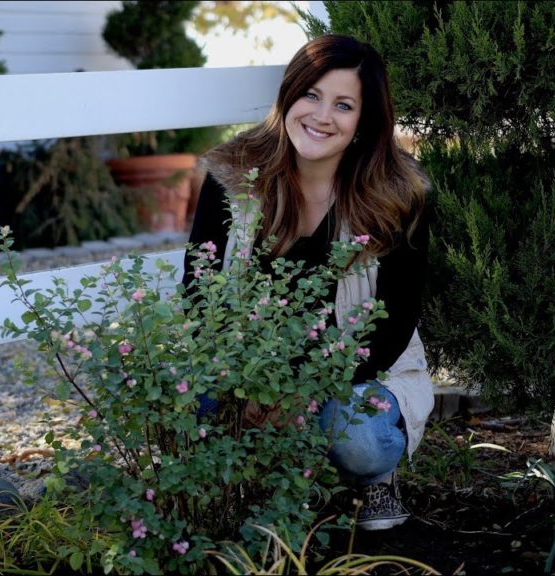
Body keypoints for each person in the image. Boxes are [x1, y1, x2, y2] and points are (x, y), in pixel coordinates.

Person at [183, 34, 433, 531]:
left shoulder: (399, 194)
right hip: (249, 370)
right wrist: (244, 385)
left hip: (356, 378)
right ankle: (266, 481)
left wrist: (303, 394)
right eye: (311, 95)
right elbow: (198, 290)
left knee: (356, 439)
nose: (322, 116)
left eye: (343, 105)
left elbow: (393, 325)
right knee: (186, 398)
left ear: (365, 120)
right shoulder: (231, 174)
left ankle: (376, 479)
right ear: (289, 96)